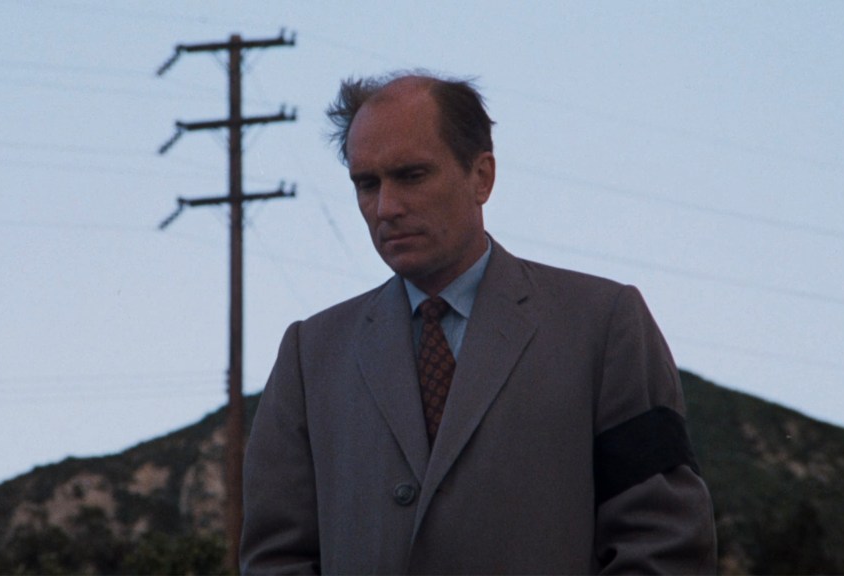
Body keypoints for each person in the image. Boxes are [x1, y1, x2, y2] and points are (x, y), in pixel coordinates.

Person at [240, 72, 717, 574]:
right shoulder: (310, 355)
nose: (386, 207)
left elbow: (663, 542)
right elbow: (276, 558)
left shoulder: (603, 324)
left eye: (411, 175)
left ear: (481, 177)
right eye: (367, 184)